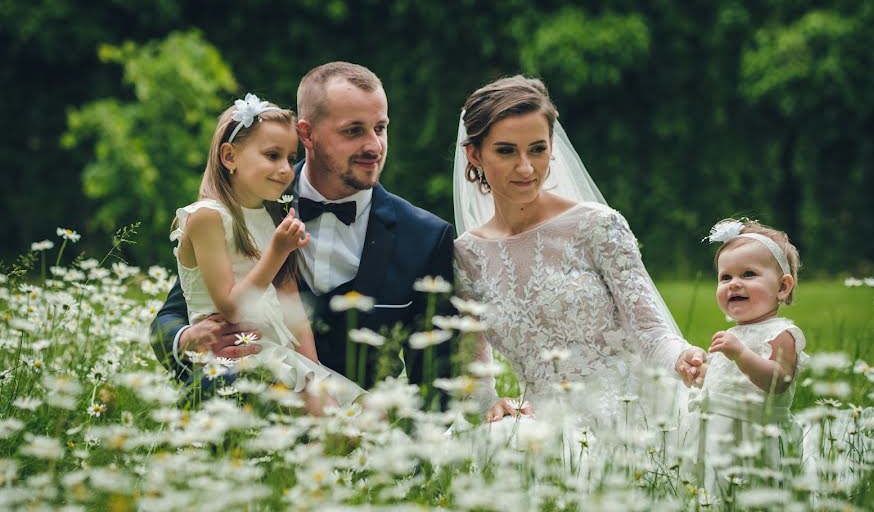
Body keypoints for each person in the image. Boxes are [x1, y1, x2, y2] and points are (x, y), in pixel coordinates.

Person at [150, 62, 454, 400]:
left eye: (380, 128)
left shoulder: (427, 238)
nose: (374, 146)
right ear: (307, 134)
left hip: (355, 428)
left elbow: (435, 381)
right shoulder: (247, 205)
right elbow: (176, 312)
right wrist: (185, 341)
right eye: (353, 131)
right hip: (239, 415)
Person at [451, 75, 707, 426]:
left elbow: (651, 331)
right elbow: (476, 376)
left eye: (537, 149)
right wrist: (490, 403)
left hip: (636, 414)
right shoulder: (467, 255)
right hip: (545, 423)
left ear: (552, 146)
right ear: (474, 153)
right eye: (506, 150)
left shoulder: (596, 225)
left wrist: (682, 356)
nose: (526, 168)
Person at [168, 93, 362, 408]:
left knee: (360, 413)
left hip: (281, 356)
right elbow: (230, 307)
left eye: (290, 157)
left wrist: (316, 371)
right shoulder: (207, 217)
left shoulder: (273, 218)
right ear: (229, 157)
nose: (286, 169)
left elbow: (293, 311)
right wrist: (278, 251)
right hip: (237, 360)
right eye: (272, 156)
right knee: (334, 430)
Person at [682, 218, 807, 487]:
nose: (734, 283)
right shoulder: (734, 336)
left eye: (748, 274)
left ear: (783, 287)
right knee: (715, 490)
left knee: (755, 492)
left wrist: (741, 355)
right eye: (725, 277)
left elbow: (779, 380)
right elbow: (728, 380)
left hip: (755, 434)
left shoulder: (781, 333)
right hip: (719, 432)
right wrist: (704, 373)